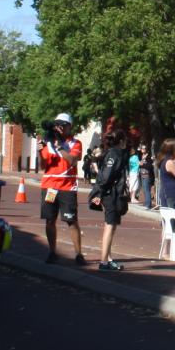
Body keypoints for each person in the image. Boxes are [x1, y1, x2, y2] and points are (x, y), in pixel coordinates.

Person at [39, 113, 84, 265]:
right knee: (50, 219)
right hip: (50, 187)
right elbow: (43, 165)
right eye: (57, 124)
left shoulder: (75, 143)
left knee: (71, 220)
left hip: (67, 188)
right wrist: (41, 150)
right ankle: (52, 252)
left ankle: (79, 254)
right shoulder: (48, 143)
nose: (59, 127)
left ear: (69, 127)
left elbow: (72, 161)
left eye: (63, 125)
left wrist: (60, 147)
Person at [88, 128, 130, 271]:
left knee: (112, 227)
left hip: (113, 193)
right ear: (121, 141)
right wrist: (98, 193)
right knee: (109, 226)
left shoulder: (115, 153)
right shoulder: (114, 155)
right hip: (111, 194)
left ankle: (109, 258)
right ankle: (103, 261)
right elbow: (106, 176)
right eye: (125, 140)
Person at [156, 138, 175, 211]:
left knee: (167, 219)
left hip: (165, 191)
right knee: (173, 219)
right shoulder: (169, 162)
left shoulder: (164, 160)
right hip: (171, 192)